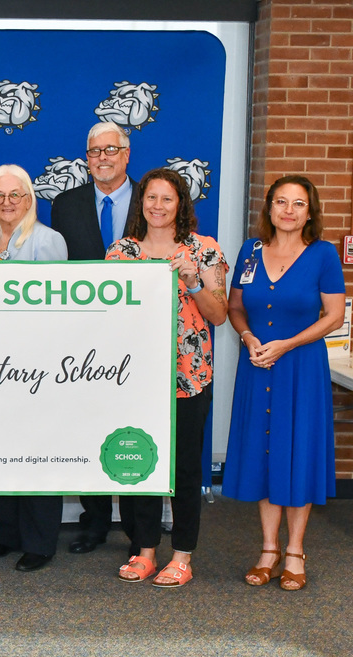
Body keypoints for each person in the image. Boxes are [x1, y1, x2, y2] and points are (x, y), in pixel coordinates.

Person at [107, 168, 228, 588]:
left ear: (181, 205)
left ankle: (181, 555)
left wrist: (192, 282)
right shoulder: (121, 252)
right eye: (150, 198)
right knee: (138, 461)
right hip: (135, 376)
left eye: (167, 199)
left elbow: (219, 315)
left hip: (188, 377)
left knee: (185, 468)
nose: (157, 206)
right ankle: (144, 550)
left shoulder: (203, 250)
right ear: (141, 203)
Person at [223, 175, 344, 591]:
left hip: (300, 368)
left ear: (310, 211)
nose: (288, 211)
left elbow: (334, 317)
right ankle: (268, 549)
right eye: (281, 202)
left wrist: (286, 344)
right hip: (258, 366)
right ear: (269, 209)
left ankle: (295, 550)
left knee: (298, 450)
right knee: (264, 450)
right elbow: (235, 306)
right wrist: (250, 337)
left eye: (298, 203)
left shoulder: (323, 255)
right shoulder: (250, 251)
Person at [50, 121, 138, 555]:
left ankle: (142, 529)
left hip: (141, 337)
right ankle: (95, 520)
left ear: (127, 153)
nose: (101, 158)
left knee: (139, 425)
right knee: (89, 428)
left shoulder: (153, 200)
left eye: (110, 150)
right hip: (83, 341)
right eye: (93, 151)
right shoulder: (65, 204)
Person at [0, 165, 67, 572]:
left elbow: (59, 306)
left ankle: (40, 542)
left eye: (16, 195)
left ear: (30, 200)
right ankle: (5, 535)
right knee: (0, 450)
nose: (7, 203)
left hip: (36, 368)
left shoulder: (48, 240)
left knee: (37, 453)